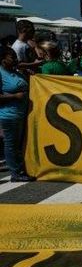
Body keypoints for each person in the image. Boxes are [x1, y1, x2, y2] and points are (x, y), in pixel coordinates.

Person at [0, 47, 33, 182]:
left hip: (21, 114)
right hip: (9, 116)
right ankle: (15, 173)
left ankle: (20, 169)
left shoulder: (15, 72)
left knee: (19, 144)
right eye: (12, 57)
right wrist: (14, 96)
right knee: (11, 144)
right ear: (3, 60)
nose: (15, 59)